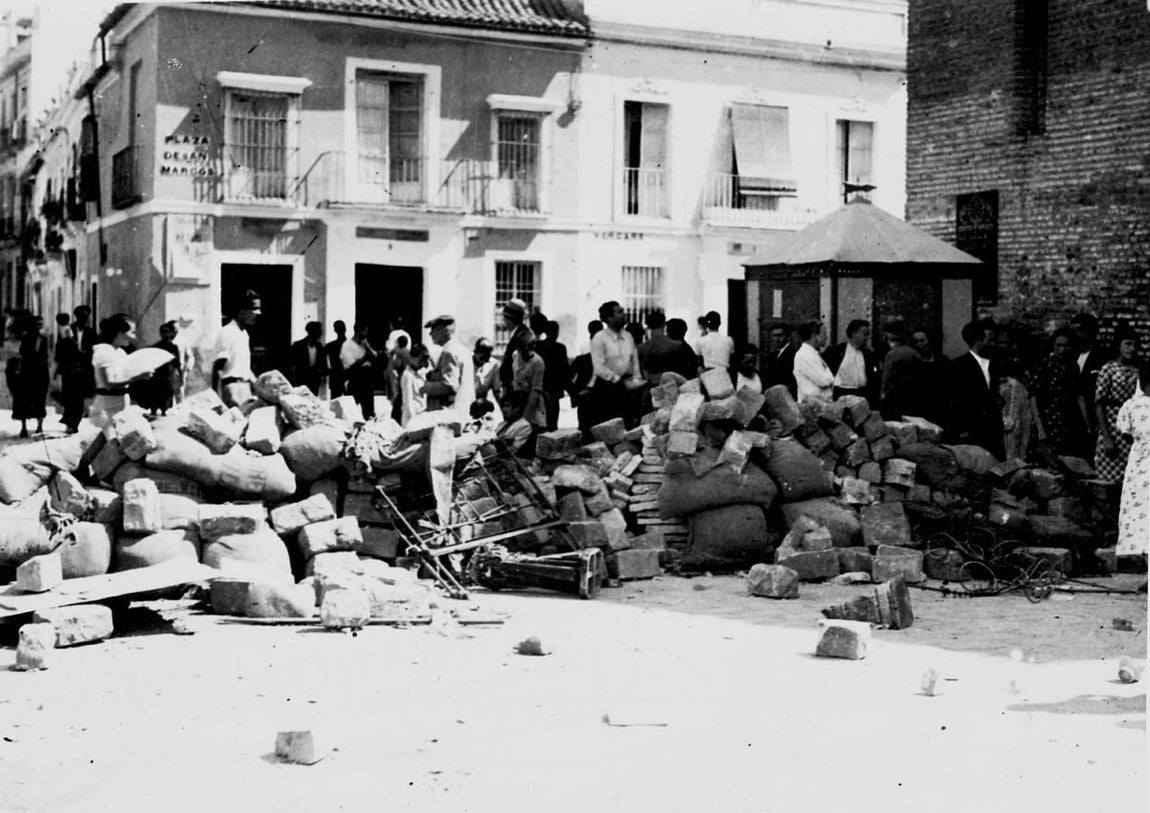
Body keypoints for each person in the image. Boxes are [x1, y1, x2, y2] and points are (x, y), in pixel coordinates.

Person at [1028, 327, 1091, 462]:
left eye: (1066, 346)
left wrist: (1087, 424)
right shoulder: (1044, 366)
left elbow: (1079, 396)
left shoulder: (1073, 368)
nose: (1062, 350)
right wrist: (1040, 429)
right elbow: (1034, 398)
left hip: (1069, 423)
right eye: (1059, 345)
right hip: (1048, 423)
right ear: (1053, 346)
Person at [90, 314, 158, 436]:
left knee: (121, 445)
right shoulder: (103, 352)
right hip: (107, 407)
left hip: (121, 405)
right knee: (116, 445)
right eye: (132, 332)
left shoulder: (121, 353)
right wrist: (138, 377)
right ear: (120, 333)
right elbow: (109, 383)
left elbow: (124, 375)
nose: (134, 337)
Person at [946, 318, 1005, 460]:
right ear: (977, 341)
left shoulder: (995, 365)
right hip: (971, 433)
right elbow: (955, 400)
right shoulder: (959, 366)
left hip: (993, 432)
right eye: (989, 340)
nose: (993, 344)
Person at [1094, 326, 1141, 483]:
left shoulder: (1138, 371)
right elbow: (1099, 404)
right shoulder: (1108, 369)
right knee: (1109, 482)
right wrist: (1106, 438)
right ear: (1118, 345)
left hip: (1131, 431)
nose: (1132, 349)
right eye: (1128, 344)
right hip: (1112, 429)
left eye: (1135, 345)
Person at [1113, 362, 1149, 566]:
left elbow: (1125, 434)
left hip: (1140, 467)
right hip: (1141, 468)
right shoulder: (1132, 405)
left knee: (1140, 513)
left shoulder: (1131, 405)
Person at [589, 300, 643, 430]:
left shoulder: (628, 336)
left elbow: (634, 360)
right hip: (607, 388)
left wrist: (636, 380)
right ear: (609, 317)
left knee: (628, 426)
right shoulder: (599, 337)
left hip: (628, 388)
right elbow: (599, 367)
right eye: (619, 312)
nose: (624, 314)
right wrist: (617, 380)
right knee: (609, 428)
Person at [212, 290, 261, 409]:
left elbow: (245, 368)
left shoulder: (244, 334)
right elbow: (218, 369)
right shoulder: (228, 332)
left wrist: (259, 387)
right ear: (241, 311)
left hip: (245, 388)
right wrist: (218, 400)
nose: (258, 313)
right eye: (253, 309)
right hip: (232, 389)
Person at [422, 314, 473, 418]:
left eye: (433, 329)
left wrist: (425, 386)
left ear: (445, 331)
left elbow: (449, 385)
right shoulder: (461, 349)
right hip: (461, 412)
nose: (430, 333)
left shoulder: (449, 352)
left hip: (449, 416)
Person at [1070, 312, 1111, 443]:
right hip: (1072, 420)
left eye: (1078, 331)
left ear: (1091, 333)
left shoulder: (1103, 356)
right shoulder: (1069, 355)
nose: (1074, 335)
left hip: (1094, 420)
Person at [56, 304, 96, 432]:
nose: (84, 318)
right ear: (76, 316)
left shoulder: (91, 332)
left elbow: (95, 349)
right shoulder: (67, 329)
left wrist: (86, 354)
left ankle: (75, 423)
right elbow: (60, 348)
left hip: (84, 369)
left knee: (79, 397)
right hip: (70, 368)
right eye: (81, 316)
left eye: (86, 316)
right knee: (69, 396)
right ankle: (68, 421)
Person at [823, 319, 881, 405]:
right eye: (865, 334)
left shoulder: (869, 355)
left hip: (862, 394)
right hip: (841, 394)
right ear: (854, 334)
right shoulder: (836, 351)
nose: (867, 338)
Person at [506, 334, 547, 455]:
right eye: (523, 349)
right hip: (517, 400)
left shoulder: (538, 362)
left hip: (532, 401)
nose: (527, 353)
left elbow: (536, 390)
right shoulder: (515, 356)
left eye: (529, 349)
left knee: (529, 431)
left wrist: (526, 416)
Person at [878, 319, 923, 421]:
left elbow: (886, 383)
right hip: (914, 401)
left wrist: (882, 402)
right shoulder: (915, 353)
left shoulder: (892, 355)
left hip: (895, 403)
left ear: (888, 335)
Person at [13, 315, 49, 438]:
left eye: (40, 324)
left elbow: (45, 355)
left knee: (40, 399)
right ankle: (24, 427)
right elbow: (23, 354)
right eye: (37, 324)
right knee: (24, 400)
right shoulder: (26, 337)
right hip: (27, 372)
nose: (39, 326)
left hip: (40, 372)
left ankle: (39, 426)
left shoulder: (43, 338)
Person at [569, 320, 604, 436]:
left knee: (586, 429)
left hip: (590, 395)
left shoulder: (582, 357)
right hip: (595, 396)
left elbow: (567, 378)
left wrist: (575, 393)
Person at [536, 320, 570, 431]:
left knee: (541, 421)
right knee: (553, 422)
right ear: (557, 332)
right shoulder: (560, 348)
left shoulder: (538, 346)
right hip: (554, 389)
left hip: (541, 387)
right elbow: (564, 371)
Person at [341, 322, 378, 420]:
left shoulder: (364, 344)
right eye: (365, 330)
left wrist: (368, 348)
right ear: (360, 331)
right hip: (355, 379)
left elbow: (375, 358)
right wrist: (365, 357)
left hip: (367, 379)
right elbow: (352, 365)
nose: (367, 333)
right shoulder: (347, 345)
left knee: (369, 411)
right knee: (351, 410)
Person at [911, 328, 949, 425]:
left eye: (922, 340)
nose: (920, 344)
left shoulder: (943, 361)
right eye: (916, 342)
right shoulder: (911, 363)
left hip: (940, 407)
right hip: (920, 408)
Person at [145, 320, 183, 416]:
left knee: (167, 394)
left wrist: (181, 377)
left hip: (168, 375)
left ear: (171, 333)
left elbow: (178, 363)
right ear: (160, 333)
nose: (165, 334)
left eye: (167, 332)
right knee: (155, 393)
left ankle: (164, 412)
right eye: (163, 332)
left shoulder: (174, 347)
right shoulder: (156, 346)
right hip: (157, 375)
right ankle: (153, 411)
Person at [792, 320, 834, 403]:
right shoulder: (804, 355)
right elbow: (824, 380)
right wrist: (831, 378)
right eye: (824, 333)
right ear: (815, 335)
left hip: (820, 404)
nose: (826, 336)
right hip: (812, 406)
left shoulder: (813, 353)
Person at [498, 298, 531, 398]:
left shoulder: (522, 337)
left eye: (504, 318)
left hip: (517, 389)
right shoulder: (520, 334)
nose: (503, 322)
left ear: (509, 319)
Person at [288, 321, 328, 396]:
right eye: (319, 331)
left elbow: (323, 364)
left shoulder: (319, 347)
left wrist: (323, 372)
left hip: (314, 380)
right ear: (312, 332)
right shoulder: (297, 345)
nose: (321, 334)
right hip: (300, 379)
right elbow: (290, 363)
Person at [763, 322, 800, 397]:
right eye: (774, 336)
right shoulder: (773, 355)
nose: (776, 339)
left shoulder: (794, 355)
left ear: (787, 337)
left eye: (780, 336)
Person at [400, 342, 430, 426]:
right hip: (412, 418)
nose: (422, 364)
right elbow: (407, 401)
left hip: (422, 415)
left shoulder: (421, 373)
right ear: (411, 358)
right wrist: (414, 422)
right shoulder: (408, 375)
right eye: (420, 361)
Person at [473, 337, 500, 408]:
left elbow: (497, 390)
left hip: (482, 404)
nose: (484, 361)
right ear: (475, 352)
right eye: (482, 357)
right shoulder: (467, 362)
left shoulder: (494, 365)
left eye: (487, 358)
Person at [325, 320, 348, 398]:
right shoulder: (351, 344)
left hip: (336, 376)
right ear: (345, 329)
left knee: (336, 402)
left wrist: (328, 370)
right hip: (345, 376)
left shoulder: (330, 346)